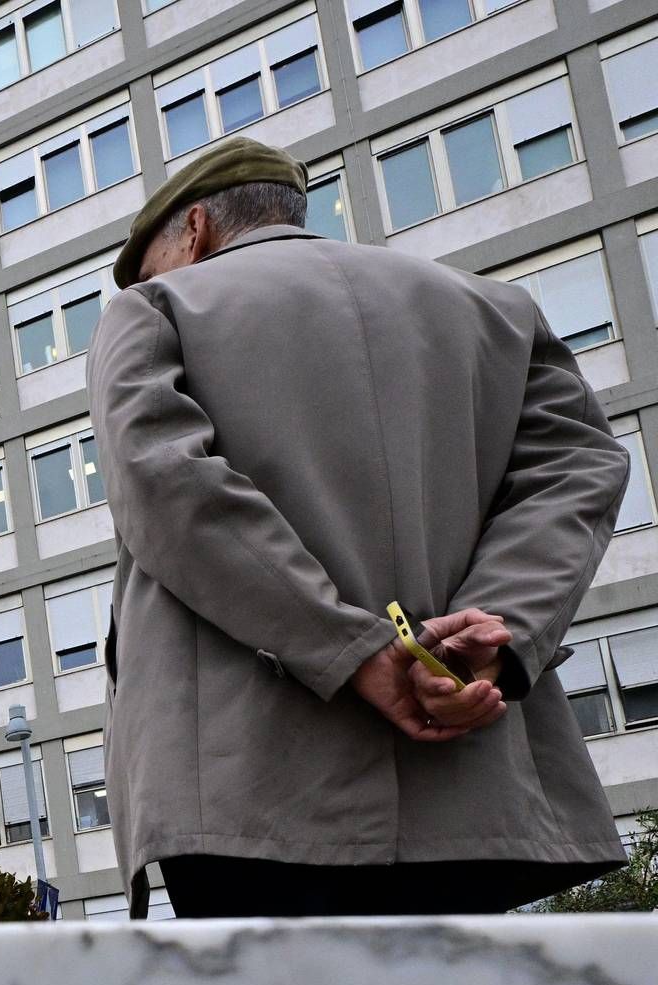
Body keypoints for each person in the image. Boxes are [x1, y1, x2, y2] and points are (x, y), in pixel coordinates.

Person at [88, 138, 629, 918]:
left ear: (196, 229)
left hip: (248, 799)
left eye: (151, 260)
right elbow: (580, 467)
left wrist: (350, 652)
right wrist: (491, 638)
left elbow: (165, 485)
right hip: (469, 782)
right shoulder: (498, 312)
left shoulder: (156, 309)